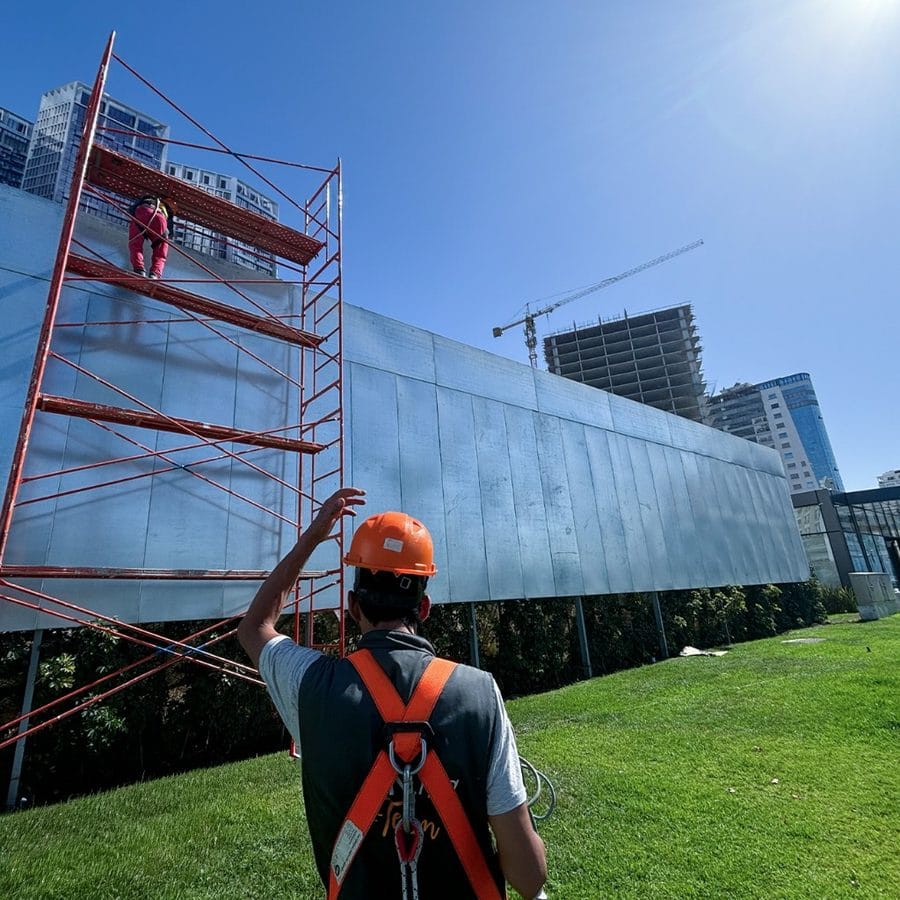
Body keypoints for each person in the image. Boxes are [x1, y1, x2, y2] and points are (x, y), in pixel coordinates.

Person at [238, 487, 547, 899]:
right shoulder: (480, 694)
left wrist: (315, 536)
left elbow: (254, 627)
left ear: (352, 607)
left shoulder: (310, 687)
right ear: (424, 608)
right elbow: (529, 878)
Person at [128, 196, 177, 279]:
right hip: (160, 218)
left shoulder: (147, 198)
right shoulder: (168, 213)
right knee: (160, 252)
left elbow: (131, 210)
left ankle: (139, 270)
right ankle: (155, 274)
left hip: (143, 211)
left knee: (135, 244)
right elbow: (170, 233)